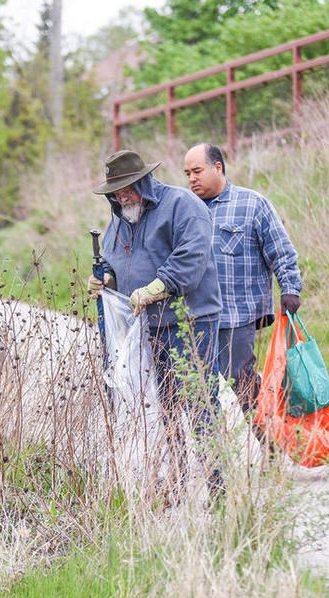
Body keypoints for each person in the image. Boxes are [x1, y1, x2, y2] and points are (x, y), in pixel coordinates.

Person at [88, 149, 223, 496]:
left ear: (144, 181)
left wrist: (161, 285)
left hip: (190, 322)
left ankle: (218, 488)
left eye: (128, 188)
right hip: (148, 328)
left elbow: (193, 253)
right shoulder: (119, 220)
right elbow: (118, 267)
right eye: (115, 193)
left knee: (199, 403)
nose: (122, 196)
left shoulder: (182, 205)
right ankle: (175, 484)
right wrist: (105, 282)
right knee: (164, 407)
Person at [183, 143, 303, 449]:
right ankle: (215, 461)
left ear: (218, 167)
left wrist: (290, 288)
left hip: (237, 315)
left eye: (197, 171)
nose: (191, 179)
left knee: (244, 384)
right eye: (187, 174)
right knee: (200, 391)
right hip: (195, 318)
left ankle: (271, 447)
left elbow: (282, 251)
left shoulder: (252, 204)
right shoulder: (186, 209)